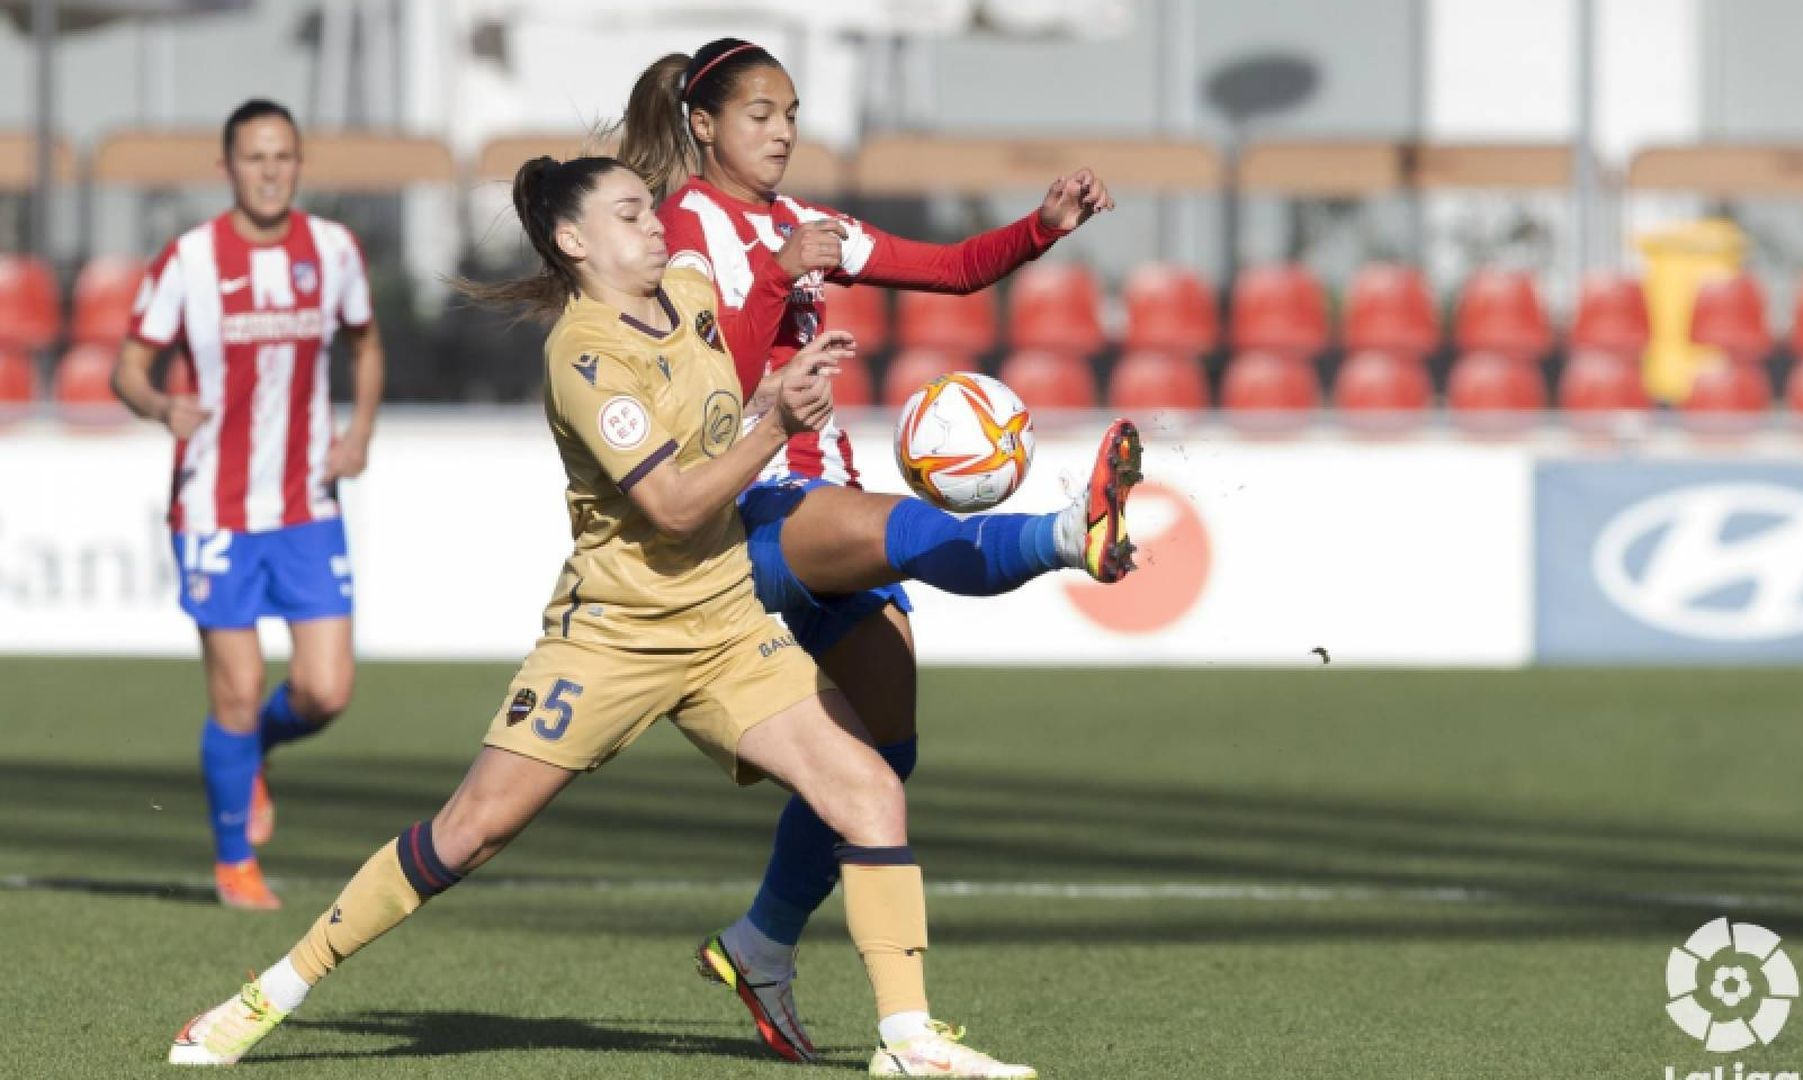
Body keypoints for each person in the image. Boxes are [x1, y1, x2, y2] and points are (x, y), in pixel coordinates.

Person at [166, 155, 1038, 1079]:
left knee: (870, 794)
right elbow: (670, 505)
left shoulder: (695, 289)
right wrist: (776, 424)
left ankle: (906, 1040)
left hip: (727, 625)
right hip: (612, 640)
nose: (657, 225)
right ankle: (274, 991)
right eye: (630, 214)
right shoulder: (584, 355)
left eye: (652, 207)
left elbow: (737, 346)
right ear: (575, 242)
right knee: (470, 833)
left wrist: (784, 305)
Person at [619, 39, 1141, 1063]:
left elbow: (945, 270)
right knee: (900, 535)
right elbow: (698, 365)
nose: (781, 129)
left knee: (883, 754)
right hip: (752, 500)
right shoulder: (687, 225)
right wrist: (774, 276)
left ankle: (760, 944)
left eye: (791, 112)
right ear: (705, 124)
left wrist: (1043, 227)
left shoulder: (795, 224)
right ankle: (1064, 534)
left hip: (821, 492)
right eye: (760, 113)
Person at [110, 99, 385, 911]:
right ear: (225, 167)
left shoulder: (333, 251)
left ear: (298, 165)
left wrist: (361, 428)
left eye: (284, 157)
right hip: (216, 510)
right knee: (233, 689)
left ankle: (252, 749)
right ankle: (234, 862)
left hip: (307, 500)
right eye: (255, 157)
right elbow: (129, 367)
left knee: (327, 690)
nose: (270, 170)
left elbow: (366, 344)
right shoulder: (188, 260)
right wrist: (161, 406)